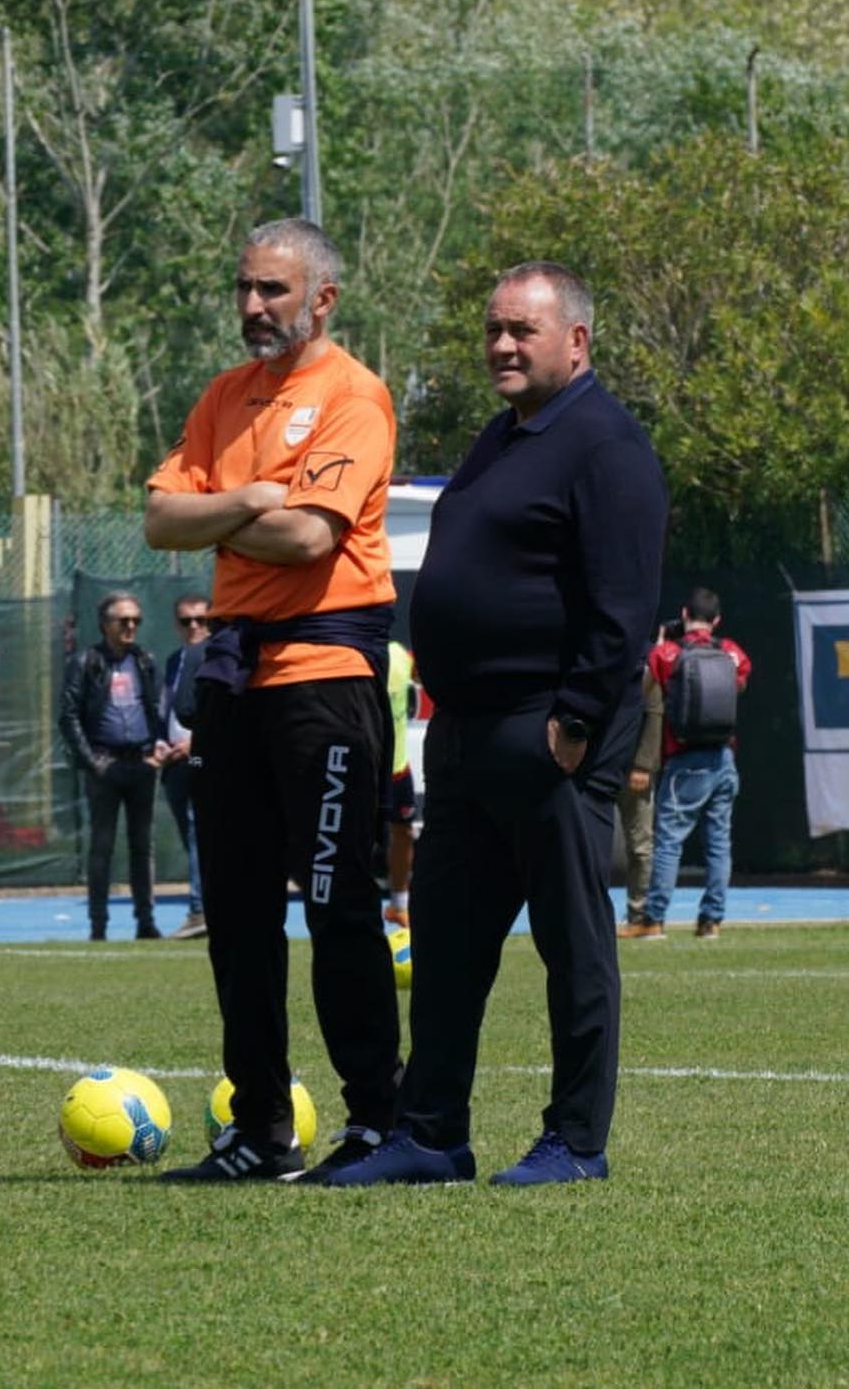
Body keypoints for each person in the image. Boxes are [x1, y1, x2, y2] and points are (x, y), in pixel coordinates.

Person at [314, 261, 667, 1190]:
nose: (503, 346)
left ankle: (575, 1143)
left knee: (574, 944)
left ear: (577, 341)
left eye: (525, 330)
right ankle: (429, 1134)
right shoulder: (502, 436)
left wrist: (577, 724)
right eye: (494, 329)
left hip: (548, 733)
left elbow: (623, 605)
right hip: (466, 735)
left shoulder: (606, 445)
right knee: (448, 939)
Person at [144, 217, 402, 1183]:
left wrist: (231, 511)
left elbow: (308, 542)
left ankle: (377, 1123)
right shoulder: (223, 397)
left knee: (339, 910)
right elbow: (162, 518)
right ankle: (260, 1131)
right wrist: (254, 499)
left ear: (322, 300)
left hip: (324, 686)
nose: (253, 308)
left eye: (273, 292)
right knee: (240, 917)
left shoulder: (353, 397)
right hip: (234, 688)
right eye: (245, 288)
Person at [622, 588, 752, 941]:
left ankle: (653, 919)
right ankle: (711, 921)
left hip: (684, 761)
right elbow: (737, 687)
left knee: (668, 841)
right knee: (718, 842)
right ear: (717, 620)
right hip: (724, 757)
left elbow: (645, 687)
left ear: (683, 614)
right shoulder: (731, 653)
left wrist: (661, 643)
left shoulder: (668, 654)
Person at [58, 592, 166, 941]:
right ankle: (98, 925)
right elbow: (69, 715)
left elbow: (156, 708)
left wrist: (157, 749)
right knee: (101, 847)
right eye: (123, 621)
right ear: (105, 625)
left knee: (142, 846)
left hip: (142, 765)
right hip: (105, 766)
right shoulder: (87, 661)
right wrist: (92, 763)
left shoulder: (144, 660)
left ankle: (146, 922)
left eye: (136, 620)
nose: (131, 626)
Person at [161, 593, 210, 940]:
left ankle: (199, 910)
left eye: (200, 619)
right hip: (173, 761)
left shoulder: (217, 658)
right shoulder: (175, 660)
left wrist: (196, 742)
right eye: (186, 621)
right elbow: (166, 708)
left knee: (199, 831)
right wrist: (159, 744)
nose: (193, 626)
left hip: (204, 757)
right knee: (189, 832)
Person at [615, 661, 664, 935]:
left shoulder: (645, 669)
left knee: (640, 846)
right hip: (597, 768)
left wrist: (643, 764)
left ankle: (639, 915)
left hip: (632, 770)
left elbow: (654, 714)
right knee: (583, 845)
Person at [384, 639, 418, 929]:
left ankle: (398, 906)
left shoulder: (399, 655)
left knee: (404, 833)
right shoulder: (354, 658)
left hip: (398, 769)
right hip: (365, 770)